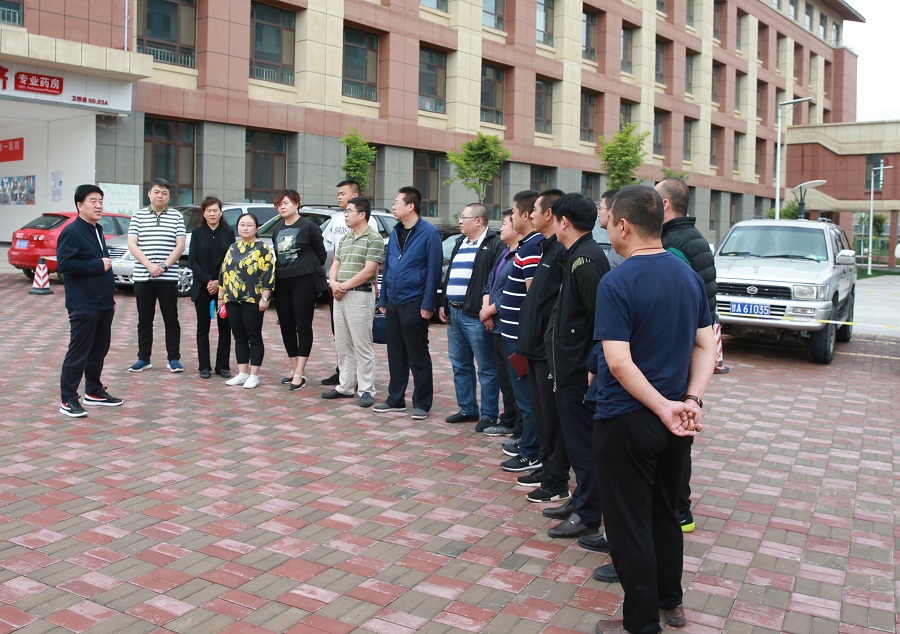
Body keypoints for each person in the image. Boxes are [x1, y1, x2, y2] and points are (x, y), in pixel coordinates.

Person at [592, 185, 716, 634]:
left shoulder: (618, 281)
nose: (608, 229)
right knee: (665, 514)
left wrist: (667, 406)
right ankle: (671, 602)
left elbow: (618, 362)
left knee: (629, 526)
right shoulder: (687, 276)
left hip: (628, 419)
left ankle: (642, 623)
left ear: (624, 225)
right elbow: (707, 345)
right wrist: (690, 400)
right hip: (675, 421)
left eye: (609, 222)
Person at [656, 177, 724, 534]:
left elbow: (683, 307)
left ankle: (678, 509)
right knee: (679, 433)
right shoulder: (692, 238)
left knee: (676, 435)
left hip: (680, 354)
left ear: (665, 204)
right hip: (689, 351)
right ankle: (678, 508)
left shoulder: (675, 245)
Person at [546, 193, 611, 544]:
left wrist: (592, 365)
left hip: (578, 371)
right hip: (569, 366)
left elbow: (602, 322)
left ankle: (588, 514)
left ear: (564, 222)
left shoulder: (585, 261)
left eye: (554, 218)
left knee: (584, 446)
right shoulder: (576, 255)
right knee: (576, 443)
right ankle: (582, 499)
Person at [516, 190, 571, 510]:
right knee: (541, 414)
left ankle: (557, 480)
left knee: (552, 418)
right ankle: (547, 468)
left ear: (550, 214)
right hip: (534, 348)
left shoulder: (563, 253)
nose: (531, 214)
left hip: (547, 351)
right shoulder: (546, 248)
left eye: (535, 209)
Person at [374, 186, 442, 420]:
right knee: (395, 352)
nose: (393, 207)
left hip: (415, 301)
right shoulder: (395, 232)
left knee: (417, 353)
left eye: (397, 203)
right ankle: (396, 399)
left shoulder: (429, 233)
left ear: (411, 206)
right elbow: (388, 266)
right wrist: (383, 298)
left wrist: (429, 303)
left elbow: (434, 271)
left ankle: (422, 402)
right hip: (393, 300)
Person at [57, 184, 122, 417]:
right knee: (79, 352)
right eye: (93, 201)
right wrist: (97, 265)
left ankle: (94, 391)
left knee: (99, 350)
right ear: (79, 205)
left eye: (100, 201)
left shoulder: (97, 229)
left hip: (103, 302)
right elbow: (65, 265)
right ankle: (68, 399)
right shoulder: (72, 232)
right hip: (83, 303)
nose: (98, 205)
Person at [440, 203, 503, 429]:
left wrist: (489, 309)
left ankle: (489, 415)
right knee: (460, 365)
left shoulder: (494, 244)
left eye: (464, 217)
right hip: (454, 312)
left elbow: (496, 281)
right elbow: (451, 275)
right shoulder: (460, 242)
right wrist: (444, 303)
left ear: (478, 221)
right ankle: (467, 409)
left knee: (486, 367)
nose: (459, 221)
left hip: (476, 315)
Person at [496, 190, 543, 473]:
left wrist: (525, 339)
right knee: (523, 397)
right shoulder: (527, 246)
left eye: (513, 212)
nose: (511, 217)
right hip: (513, 336)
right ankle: (528, 443)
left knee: (527, 400)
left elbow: (532, 298)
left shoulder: (533, 248)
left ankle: (531, 452)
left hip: (521, 340)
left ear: (526, 215)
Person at [322, 196, 385, 408]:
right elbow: (335, 263)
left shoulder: (374, 238)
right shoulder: (346, 237)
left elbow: (369, 271)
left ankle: (366, 389)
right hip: (340, 295)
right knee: (342, 344)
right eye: (345, 211)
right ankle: (345, 386)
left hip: (359, 295)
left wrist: (343, 287)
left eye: (349, 211)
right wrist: (333, 284)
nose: (346, 215)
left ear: (362, 214)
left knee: (362, 345)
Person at [270, 189, 328, 391]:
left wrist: (306, 269)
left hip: (304, 281)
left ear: (296, 204)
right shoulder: (277, 228)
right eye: (279, 204)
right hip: (282, 281)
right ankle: (294, 367)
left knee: (303, 326)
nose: (282, 207)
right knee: (286, 326)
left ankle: (300, 372)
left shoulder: (309, 226)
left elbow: (321, 254)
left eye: (286, 203)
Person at [126, 178, 186, 373]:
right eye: (157, 192)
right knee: (144, 319)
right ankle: (143, 358)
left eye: (164, 193)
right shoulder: (138, 216)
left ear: (169, 197)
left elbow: (180, 245)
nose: (160, 196)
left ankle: (174, 358)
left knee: (171, 318)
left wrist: (163, 266)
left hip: (168, 277)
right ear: (149, 194)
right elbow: (132, 244)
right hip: (143, 276)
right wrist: (149, 265)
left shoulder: (176, 216)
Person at [217, 213, 276, 389]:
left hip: (253, 299)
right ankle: (242, 373)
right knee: (239, 337)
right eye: (242, 224)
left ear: (256, 228)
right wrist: (221, 296)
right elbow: (223, 272)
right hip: (232, 298)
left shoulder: (262, 248)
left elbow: (269, 274)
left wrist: (265, 297)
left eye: (249, 225)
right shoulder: (233, 247)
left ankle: (254, 375)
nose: (245, 228)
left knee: (253, 337)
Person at [479, 209, 523, 438]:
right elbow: (489, 284)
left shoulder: (522, 255)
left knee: (516, 378)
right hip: (496, 324)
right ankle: (508, 420)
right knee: (504, 377)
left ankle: (519, 426)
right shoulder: (504, 254)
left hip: (510, 326)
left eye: (505, 223)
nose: (501, 228)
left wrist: (490, 310)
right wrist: (486, 310)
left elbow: (513, 293)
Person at [321, 178, 362, 386]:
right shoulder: (336, 219)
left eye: (343, 194)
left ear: (355, 195)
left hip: (356, 287)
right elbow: (335, 252)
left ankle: (360, 378)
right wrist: (332, 281)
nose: (339, 197)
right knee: (339, 333)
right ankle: (342, 373)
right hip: (336, 284)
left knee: (357, 335)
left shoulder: (367, 220)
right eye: (338, 194)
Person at [188, 196, 235, 379]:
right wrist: (208, 280)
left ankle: (222, 366)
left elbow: (231, 260)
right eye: (209, 210)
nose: (212, 213)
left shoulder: (228, 232)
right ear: (204, 213)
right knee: (203, 327)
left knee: (225, 327)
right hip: (203, 287)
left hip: (224, 288)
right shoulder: (197, 233)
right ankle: (204, 366)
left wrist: (219, 282)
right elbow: (192, 261)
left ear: (221, 212)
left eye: (215, 210)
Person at [597, 189, 625, 268]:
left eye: (600, 209)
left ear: (612, 211)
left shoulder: (622, 247)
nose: (598, 214)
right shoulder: (616, 243)